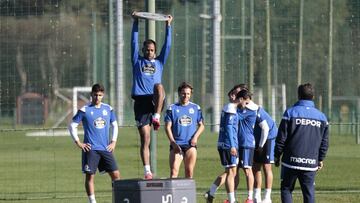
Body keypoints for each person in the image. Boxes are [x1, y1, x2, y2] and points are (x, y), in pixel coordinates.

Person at [131, 11, 173, 179]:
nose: (150, 52)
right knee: (146, 138)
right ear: (143, 50)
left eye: (152, 50)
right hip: (141, 101)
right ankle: (147, 170)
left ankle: (157, 116)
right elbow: (133, 42)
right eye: (147, 50)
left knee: (159, 86)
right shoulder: (137, 61)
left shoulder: (159, 62)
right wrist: (135, 23)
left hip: (155, 100)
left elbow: (167, 46)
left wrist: (168, 26)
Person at [274, 83, 329, 203]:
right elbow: (324, 142)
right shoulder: (322, 117)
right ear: (313, 96)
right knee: (309, 192)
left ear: (298, 96)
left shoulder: (290, 113)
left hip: (290, 162)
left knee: (286, 189)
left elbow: (281, 138)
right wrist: (320, 158)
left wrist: (277, 155)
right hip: (310, 162)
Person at [68, 84, 120, 203]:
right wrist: (78, 143)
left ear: (103, 95)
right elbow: (72, 125)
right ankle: (92, 201)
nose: (97, 97)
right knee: (90, 176)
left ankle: (118, 199)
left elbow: (115, 125)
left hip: (106, 149)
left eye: (100, 95)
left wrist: (113, 141)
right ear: (91, 95)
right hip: (91, 149)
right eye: (95, 95)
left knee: (116, 175)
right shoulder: (85, 110)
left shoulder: (108, 109)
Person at [204, 84, 248, 203]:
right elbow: (229, 127)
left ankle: (211, 192)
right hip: (228, 145)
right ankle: (231, 200)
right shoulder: (230, 109)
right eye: (245, 101)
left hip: (229, 144)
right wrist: (233, 145)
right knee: (231, 172)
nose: (246, 104)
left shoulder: (231, 108)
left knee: (231, 171)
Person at [164, 82, 205, 178]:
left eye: (188, 94)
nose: (185, 96)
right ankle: (172, 193)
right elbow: (167, 127)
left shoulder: (196, 108)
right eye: (183, 93)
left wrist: (195, 138)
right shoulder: (172, 108)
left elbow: (202, 125)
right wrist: (173, 142)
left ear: (190, 94)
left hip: (190, 145)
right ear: (179, 93)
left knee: (189, 172)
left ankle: (187, 193)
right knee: (174, 172)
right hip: (176, 144)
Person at [235, 89, 258, 203]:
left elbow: (234, 116)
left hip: (246, 144)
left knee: (247, 170)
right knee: (234, 170)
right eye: (247, 102)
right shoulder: (239, 109)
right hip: (237, 144)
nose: (248, 104)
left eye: (248, 102)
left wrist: (234, 105)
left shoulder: (249, 111)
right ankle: (232, 197)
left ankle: (250, 198)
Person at [252, 104, 278, 203]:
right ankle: (256, 197)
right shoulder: (240, 109)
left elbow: (265, 128)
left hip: (268, 137)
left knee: (267, 167)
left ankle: (267, 197)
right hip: (257, 138)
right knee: (256, 167)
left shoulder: (256, 110)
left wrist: (261, 146)